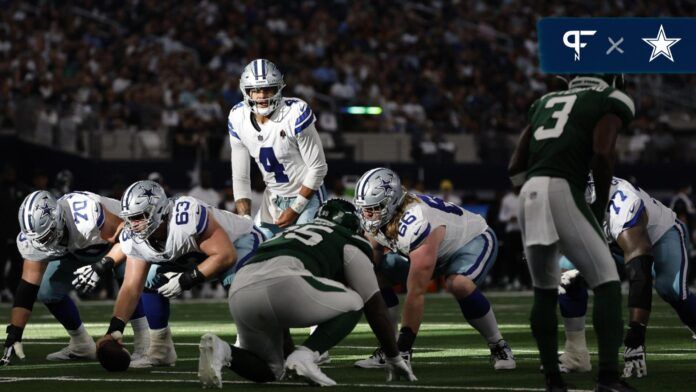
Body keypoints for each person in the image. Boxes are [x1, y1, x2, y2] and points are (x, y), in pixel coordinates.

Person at [197, 199, 416, 388]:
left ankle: (223, 350)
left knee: (272, 370)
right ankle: (306, 355)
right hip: (286, 285)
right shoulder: (347, 239)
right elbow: (374, 305)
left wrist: (289, 354)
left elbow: (275, 295)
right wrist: (394, 356)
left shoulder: (288, 233)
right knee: (357, 301)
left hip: (240, 289)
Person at [508, 74, 635, 392]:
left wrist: (536, 195)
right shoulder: (609, 99)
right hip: (564, 187)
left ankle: (553, 379)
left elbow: (515, 165)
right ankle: (607, 377)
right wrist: (599, 202)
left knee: (544, 289)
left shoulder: (544, 102)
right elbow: (603, 152)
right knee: (606, 283)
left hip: (530, 193)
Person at [352, 167, 515, 371]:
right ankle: (388, 347)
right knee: (373, 277)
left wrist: (403, 351)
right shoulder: (382, 215)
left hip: (470, 240)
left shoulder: (417, 221)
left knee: (458, 284)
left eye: (373, 208)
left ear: (392, 202)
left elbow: (416, 294)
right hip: (432, 251)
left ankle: (498, 345)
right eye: (364, 208)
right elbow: (373, 256)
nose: (367, 214)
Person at [96, 180, 264, 368]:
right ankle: (160, 349)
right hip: (196, 257)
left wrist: (185, 280)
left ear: (158, 210)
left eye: (139, 217)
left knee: (236, 279)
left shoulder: (186, 216)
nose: (133, 225)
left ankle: (249, 342)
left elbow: (226, 256)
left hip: (238, 242)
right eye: (130, 218)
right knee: (149, 279)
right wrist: (114, 330)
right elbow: (130, 287)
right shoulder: (136, 237)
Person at [557, 176, 696, 379]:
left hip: (659, 236)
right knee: (566, 273)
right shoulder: (563, 196)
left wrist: (636, 335)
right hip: (611, 242)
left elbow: (640, 274)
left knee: (670, 288)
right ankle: (576, 353)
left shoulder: (622, 202)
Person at [1, 190, 149, 366]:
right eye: (38, 239)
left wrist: (102, 266)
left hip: (117, 242)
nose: (42, 244)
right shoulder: (36, 238)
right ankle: (81, 344)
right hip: (77, 249)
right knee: (46, 290)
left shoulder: (85, 217)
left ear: (58, 220)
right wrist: (15, 333)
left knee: (128, 273)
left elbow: (130, 238)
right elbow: (28, 286)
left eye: (46, 236)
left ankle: (145, 347)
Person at [228, 58, 328, 238]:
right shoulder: (237, 117)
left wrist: (295, 208)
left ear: (278, 88)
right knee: (250, 247)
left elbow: (318, 168)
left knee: (301, 250)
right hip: (273, 198)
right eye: (256, 90)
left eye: (268, 89)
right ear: (246, 91)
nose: (262, 96)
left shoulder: (295, 112)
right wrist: (244, 218)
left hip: (307, 196)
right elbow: (241, 176)